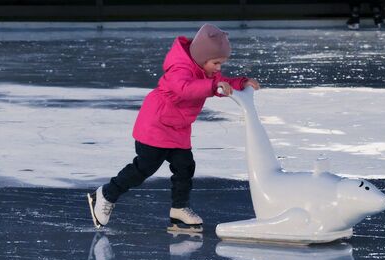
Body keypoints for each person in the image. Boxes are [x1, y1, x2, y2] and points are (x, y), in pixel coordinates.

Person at [87, 23, 260, 232]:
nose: (218, 68)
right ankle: (106, 194)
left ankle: (179, 208)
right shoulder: (180, 68)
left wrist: (241, 82)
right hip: (156, 125)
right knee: (144, 168)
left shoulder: (205, 69)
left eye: (221, 63)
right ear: (202, 58)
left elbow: (220, 81)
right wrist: (213, 86)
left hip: (178, 128)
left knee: (185, 167)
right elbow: (185, 89)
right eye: (216, 63)